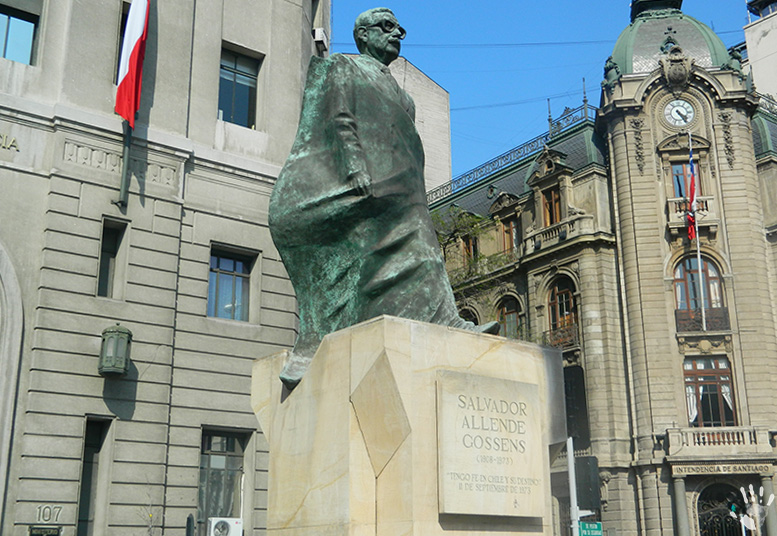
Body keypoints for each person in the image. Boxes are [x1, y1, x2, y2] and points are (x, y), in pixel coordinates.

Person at [269, 7, 499, 388]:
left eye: (399, 29)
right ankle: (315, 337)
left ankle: (444, 317)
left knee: (425, 247)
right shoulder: (343, 66)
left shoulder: (405, 97)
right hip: (362, 181)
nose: (397, 35)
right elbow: (338, 118)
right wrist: (355, 166)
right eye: (387, 27)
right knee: (394, 246)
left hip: (401, 188)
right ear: (363, 35)